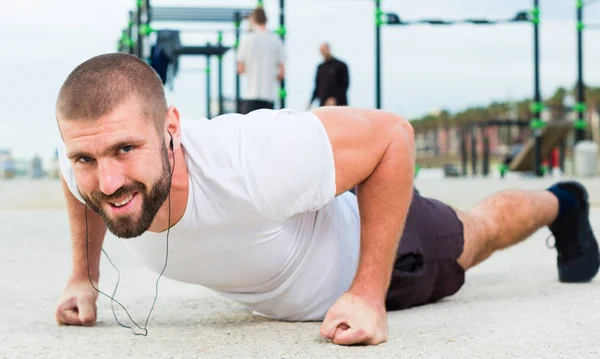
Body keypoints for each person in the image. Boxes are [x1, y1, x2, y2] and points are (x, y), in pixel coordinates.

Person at [54, 53, 600, 346]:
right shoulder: (86, 156)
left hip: (383, 250)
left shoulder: (252, 159)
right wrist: (85, 276)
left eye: (127, 149)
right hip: (304, 241)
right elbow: (77, 186)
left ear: (170, 126)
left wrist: (368, 292)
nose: (106, 181)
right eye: (87, 159)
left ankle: (564, 202)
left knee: (477, 231)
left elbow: (393, 135)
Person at [237, 7, 285, 114]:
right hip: (269, 96)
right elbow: (282, 73)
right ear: (266, 19)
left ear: (252, 20)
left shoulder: (246, 39)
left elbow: (240, 69)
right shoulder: (276, 40)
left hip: (251, 95)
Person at [308, 43, 349, 108]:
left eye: (324, 50)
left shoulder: (341, 65)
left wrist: (335, 98)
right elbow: (317, 87)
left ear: (328, 49)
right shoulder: (320, 67)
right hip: (323, 104)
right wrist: (310, 102)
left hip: (339, 105)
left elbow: (345, 85)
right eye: (321, 51)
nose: (323, 53)